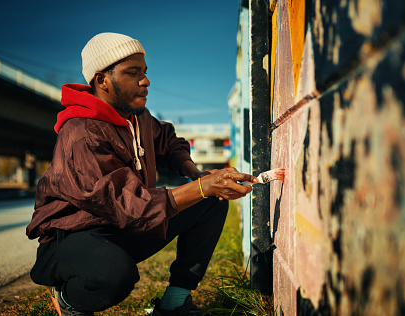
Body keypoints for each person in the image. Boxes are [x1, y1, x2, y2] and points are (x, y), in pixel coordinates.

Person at [25, 32, 257, 316]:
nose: (145, 81)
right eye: (133, 73)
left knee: (211, 200)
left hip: (121, 227)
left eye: (145, 72)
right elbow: (128, 205)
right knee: (115, 276)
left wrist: (196, 174)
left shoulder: (137, 117)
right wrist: (201, 186)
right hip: (74, 238)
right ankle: (68, 298)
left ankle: (175, 303)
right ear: (102, 81)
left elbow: (169, 142)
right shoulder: (82, 134)